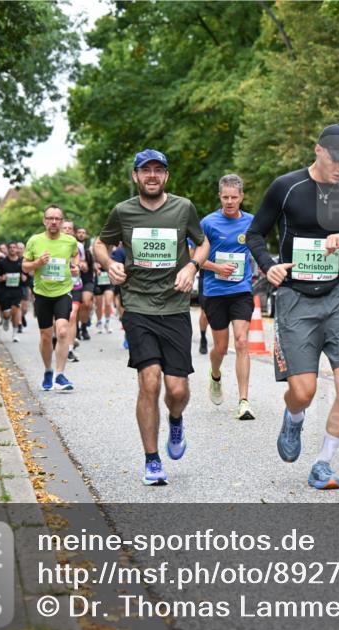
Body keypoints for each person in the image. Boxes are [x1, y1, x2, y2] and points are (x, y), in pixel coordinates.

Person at [246, 123, 339, 490]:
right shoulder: (286, 187)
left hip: (338, 296)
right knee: (304, 391)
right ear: (317, 151)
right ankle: (294, 415)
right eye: (335, 158)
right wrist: (270, 267)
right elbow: (254, 234)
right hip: (295, 297)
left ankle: (323, 463)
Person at [93, 149, 206, 487]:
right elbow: (101, 243)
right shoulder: (123, 212)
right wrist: (108, 262)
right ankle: (152, 460)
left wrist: (192, 265)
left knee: (177, 389)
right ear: (136, 176)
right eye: (146, 171)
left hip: (174, 308)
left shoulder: (183, 208)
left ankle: (175, 418)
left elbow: (203, 244)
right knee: (150, 381)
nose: (152, 176)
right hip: (138, 306)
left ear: (166, 176)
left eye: (159, 170)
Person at [199, 174, 257, 420]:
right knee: (221, 348)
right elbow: (196, 257)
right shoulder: (208, 223)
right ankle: (215, 375)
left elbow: (259, 248)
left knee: (242, 342)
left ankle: (244, 401)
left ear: (242, 197)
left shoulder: (253, 222)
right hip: (215, 291)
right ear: (220, 197)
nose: (230, 202)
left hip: (242, 290)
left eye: (234, 197)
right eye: (225, 197)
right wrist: (217, 268)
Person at [23, 204, 79, 391]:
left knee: (62, 331)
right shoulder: (34, 241)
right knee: (46, 337)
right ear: (44, 220)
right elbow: (24, 266)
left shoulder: (70, 241)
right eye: (50, 218)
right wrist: (38, 262)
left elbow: (75, 256)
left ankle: (60, 375)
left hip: (63, 291)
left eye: (57, 218)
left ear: (62, 222)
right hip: (42, 293)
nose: (53, 222)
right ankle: (48, 371)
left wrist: (75, 266)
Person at [61, 220, 84, 363]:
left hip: (75, 285)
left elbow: (81, 263)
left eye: (70, 228)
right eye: (65, 228)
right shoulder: (53, 244)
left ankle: (69, 350)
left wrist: (77, 267)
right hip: (58, 287)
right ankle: (59, 339)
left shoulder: (78, 246)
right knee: (60, 319)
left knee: (73, 315)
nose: (67, 230)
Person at [0, 242, 25, 342]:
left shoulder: (21, 262)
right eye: (10, 247)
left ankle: (15, 334)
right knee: (7, 314)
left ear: (17, 250)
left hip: (17, 290)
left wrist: (24, 277)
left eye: (14, 247)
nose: (12, 249)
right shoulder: (3, 263)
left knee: (15, 311)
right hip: (5, 291)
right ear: (8, 250)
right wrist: (2, 278)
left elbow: (26, 276)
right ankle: (6, 319)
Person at [76, 226, 96, 340]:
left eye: (83, 233)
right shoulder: (71, 247)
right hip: (74, 280)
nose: (81, 234)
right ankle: (76, 329)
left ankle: (84, 327)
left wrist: (96, 267)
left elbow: (91, 264)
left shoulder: (89, 250)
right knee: (77, 306)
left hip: (87, 280)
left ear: (86, 235)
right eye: (79, 232)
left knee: (86, 304)